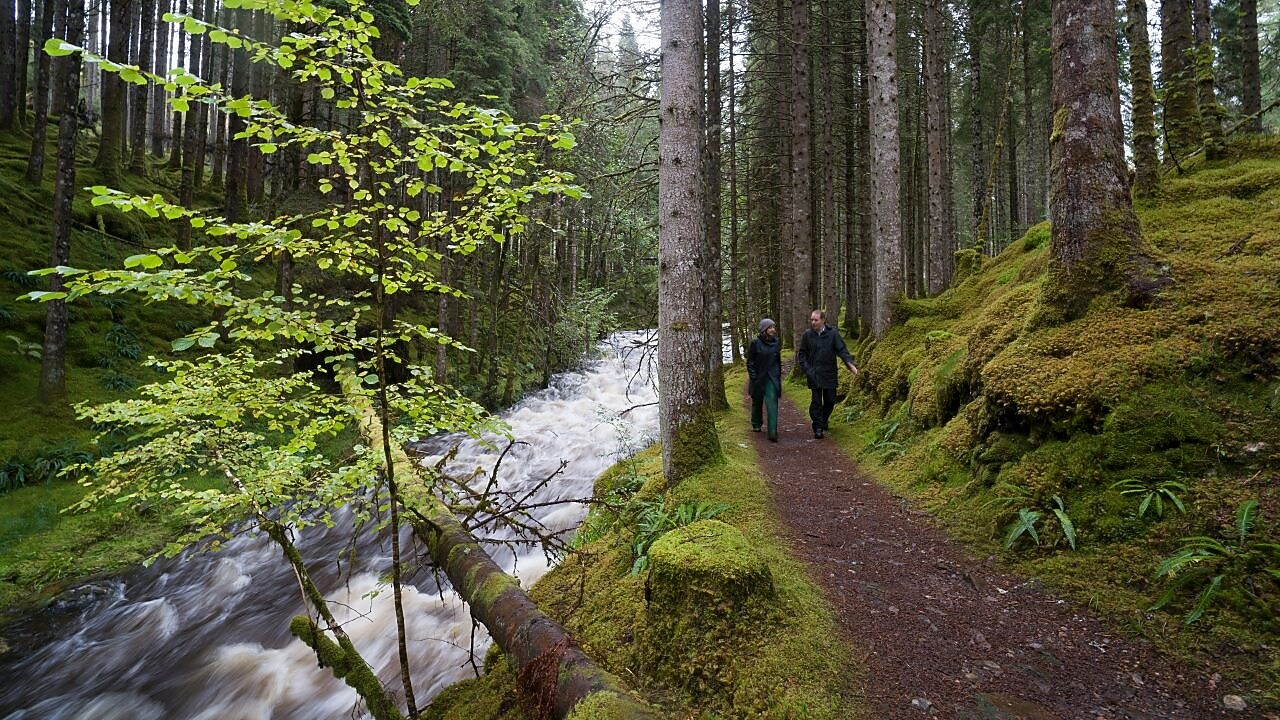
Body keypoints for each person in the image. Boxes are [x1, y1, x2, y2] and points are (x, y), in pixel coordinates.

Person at [797, 309, 858, 439]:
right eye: (812, 319)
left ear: (823, 320)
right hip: (814, 374)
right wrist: (807, 369)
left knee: (830, 400)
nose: (813, 322)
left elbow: (842, 350)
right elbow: (802, 354)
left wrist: (850, 365)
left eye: (816, 320)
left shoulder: (832, 334)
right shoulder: (807, 335)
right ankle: (817, 427)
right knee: (816, 402)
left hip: (829, 373)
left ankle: (824, 420)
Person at [746, 318, 782, 442]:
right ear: (764, 330)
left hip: (771, 377)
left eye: (773, 327)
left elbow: (777, 361)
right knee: (757, 401)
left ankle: (772, 431)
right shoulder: (755, 343)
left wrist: (777, 375)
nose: (773, 330)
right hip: (758, 377)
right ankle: (756, 423)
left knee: (772, 403)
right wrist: (754, 376)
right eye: (770, 327)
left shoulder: (776, 343)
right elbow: (750, 362)